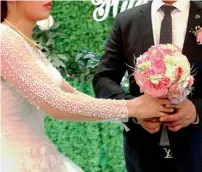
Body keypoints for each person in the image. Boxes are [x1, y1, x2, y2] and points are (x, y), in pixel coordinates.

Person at [0, 0, 176, 171]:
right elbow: (56, 104)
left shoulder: (24, 42)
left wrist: (133, 114)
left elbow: (74, 95)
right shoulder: (4, 40)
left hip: (39, 157)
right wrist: (132, 107)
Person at [93, 0, 202, 172]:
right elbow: (103, 78)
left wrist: (197, 110)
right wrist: (134, 109)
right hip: (142, 154)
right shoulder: (126, 21)